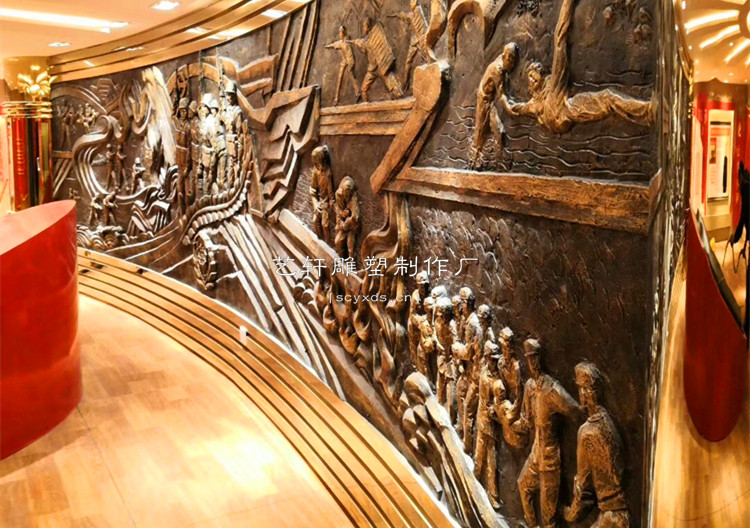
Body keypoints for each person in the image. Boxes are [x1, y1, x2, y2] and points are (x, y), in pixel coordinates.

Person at [503, 0, 652, 133]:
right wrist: (502, 97)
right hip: (561, 120)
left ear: (542, 75)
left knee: (608, 98)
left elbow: (559, 39)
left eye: (533, 74)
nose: (531, 78)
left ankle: (647, 110)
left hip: (570, 110)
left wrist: (567, 3)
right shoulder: (534, 104)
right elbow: (516, 108)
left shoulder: (553, 85)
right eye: (529, 77)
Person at [516, 338, 581, 528]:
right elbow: (526, 421)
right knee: (523, 485)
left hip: (550, 461)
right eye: (529, 359)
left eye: (535, 358)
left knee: (548, 517)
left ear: (541, 358)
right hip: (536, 456)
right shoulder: (529, 387)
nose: (533, 363)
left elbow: (576, 412)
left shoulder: (552, 389)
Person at [564, 362, 630, 528]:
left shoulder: (587, 432)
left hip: (610, 518)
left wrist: (569, 515)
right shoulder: (607, 421)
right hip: (623, 516)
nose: (581, 393)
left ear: (585, 393)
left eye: (582, 389)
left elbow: (584, 492)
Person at [471, 43, 518, 167]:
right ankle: (474, 160)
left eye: (514, 60)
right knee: (480, 133)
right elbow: (501, 95)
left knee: (498, 131)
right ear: (504, 57)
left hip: (489, 101)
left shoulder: (501, 65)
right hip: (484, 101)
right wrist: (509, 108)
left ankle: (499, 161)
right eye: (511, 59)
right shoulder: (497, 69)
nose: (513, 64)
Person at [474, 340, 503, 508]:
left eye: (496, 359)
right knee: (480, 454)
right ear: (486, 358)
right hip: (484, 420)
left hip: (491, 424)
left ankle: (493, 495)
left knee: (491, 458)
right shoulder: (485, 374)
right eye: (492, 359)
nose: (494, 362)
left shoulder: (496, 378)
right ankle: (475, 481)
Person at [353, 17, 404, 102]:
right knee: (363, 89)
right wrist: (359, 45)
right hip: (372, 69)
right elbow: (365, 50)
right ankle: (366, 106)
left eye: (364, 26)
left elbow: (367, 45)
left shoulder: (373, 38)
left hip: (380, 66)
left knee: (394, 88)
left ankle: (400, 101)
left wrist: (360, 44)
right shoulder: (367, 39)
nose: (363, 28)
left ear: (368, 27)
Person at [389, 0, 432, 89]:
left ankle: (429, 81)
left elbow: (405, 15)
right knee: (408, 61)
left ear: (415, 3)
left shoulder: (417, 13)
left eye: (412, 2)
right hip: (414, 41)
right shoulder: (413, 14)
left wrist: (397, 14)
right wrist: (395, 15)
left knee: (427, 60)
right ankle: (405, 83)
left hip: (421, 40)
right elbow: (404, 15)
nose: (410, 4)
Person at [325, 26, 361, 106]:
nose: (340, 34)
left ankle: (357, 92)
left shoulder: (347, 44)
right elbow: (333, 45)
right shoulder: (340, 42)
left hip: (348, 62)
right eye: (339, 32)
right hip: (344, 62)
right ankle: (336, 98)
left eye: (341, 32)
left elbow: (350, 56)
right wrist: (326, 46)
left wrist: (350, 65)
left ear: (344, 33)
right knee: (339, 79)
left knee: (351, 76)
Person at [310, 145, 334, 243]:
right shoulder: (316, 172)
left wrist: (331, 203)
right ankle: (320, 241)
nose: (316, 165)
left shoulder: (328, 173)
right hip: (319, 201)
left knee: (325, 225)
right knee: (315, 221)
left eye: (317, 162)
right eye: (315, 163)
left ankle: (327, 242)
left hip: (326, 202)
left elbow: (330, 192)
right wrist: (315, 204)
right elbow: (312, 189)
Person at [333, 176, 360, 259]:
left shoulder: (353, 198)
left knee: (350, 248)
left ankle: (351, 262)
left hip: (351, 227)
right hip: (342, 225)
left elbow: (355, 216)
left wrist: (347, 222)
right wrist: (342, 222)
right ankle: (341, 259)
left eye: (348, 192)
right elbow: (338, 212)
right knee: (337, 241)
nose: (346, 194)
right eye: (345, 191)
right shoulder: (339, 195)